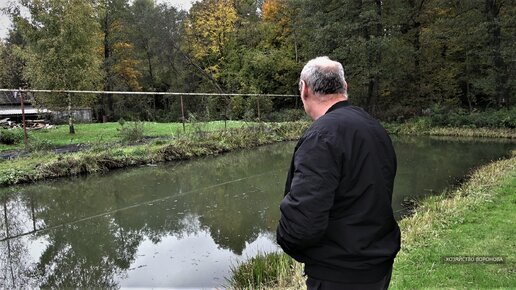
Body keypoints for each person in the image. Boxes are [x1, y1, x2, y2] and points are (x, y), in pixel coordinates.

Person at [276, 56, 400, 290]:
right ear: (345, 87)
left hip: (339, 275)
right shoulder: (373, 127)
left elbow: (302, 223)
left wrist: (286, 239)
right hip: (377, 266)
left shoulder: (321, 137)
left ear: (304, 89)